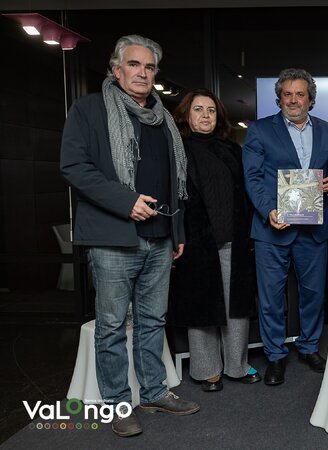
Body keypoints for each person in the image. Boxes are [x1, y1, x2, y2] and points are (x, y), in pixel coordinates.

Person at [60, 35, 200, 437]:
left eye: (149, 66)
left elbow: (174, 182)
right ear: (117, 69)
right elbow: (73, 167)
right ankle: (118, 404)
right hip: (113, 237)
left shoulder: (163, 118)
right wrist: (126, 202)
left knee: (153, 321)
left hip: (160, 236)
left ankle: (154, 391)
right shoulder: (89, 109)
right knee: (111, 326)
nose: (142, 73)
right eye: (134, 64)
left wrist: (176, 230)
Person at [242, 68, 328, 386]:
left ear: (310, 99)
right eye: (287, 94)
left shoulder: (327, 130)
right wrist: (268, 209)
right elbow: (252, 177)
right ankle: (275, 355)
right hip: (273, 228)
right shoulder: (260, 130)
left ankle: (309, 347)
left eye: (300, 94)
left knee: (313, 294)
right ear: (279, 98)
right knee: (271, 297)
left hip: (313, 228)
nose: (293, 99)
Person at [169, 89, 260, 392]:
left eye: (211, 110)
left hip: (234, 239)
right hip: (195, 241)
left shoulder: (232, 149)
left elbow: (247, 190)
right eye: (198, 109)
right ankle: (207, 369)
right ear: (186, 115)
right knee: (202, 304)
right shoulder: (177, 149)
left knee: (236, 306)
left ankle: (237, 365)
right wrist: (173, 236)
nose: (205, 115)